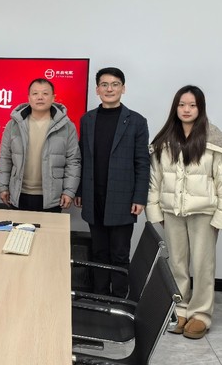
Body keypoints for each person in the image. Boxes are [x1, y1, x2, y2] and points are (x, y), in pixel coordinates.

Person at [146, 85, 222, 339]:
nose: (186, 110)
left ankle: (201, 314)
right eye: (181, 105)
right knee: (176, 264)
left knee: (202, 266)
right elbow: (155, 181)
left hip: (204, 214)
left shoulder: (215, 142)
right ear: (175, 108)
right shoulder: (164, 141)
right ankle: (179, 309)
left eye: (192, 105)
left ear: (200, 108)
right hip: (172, 212)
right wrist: (155, 212)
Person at [75, 67, 149, 297]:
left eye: (115, 84)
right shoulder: (87, 119)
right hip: (93, 196)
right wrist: (80, 190)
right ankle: (99, 296)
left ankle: (118, 299)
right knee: (98, 251)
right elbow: (82, 158)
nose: (109, 89)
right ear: (97, 89)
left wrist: (140, 197)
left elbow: (142, 162)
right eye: (104, 84)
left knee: (119, 253)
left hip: (122, 198)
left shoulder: (136, 121)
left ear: (123, 89)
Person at [0, 78, 81, 212]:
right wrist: (2, 187)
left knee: (49, 227)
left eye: (45, 93)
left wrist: (69, 191)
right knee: (19, 227)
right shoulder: (13, 125)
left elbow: (73, 161)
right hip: (19, 194)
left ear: (53, 98)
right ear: (29, 98)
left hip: (52, 197)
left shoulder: (67, 126)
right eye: (35, 93)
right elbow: (5, 158)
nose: (40, 97)